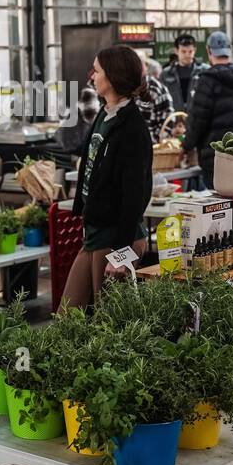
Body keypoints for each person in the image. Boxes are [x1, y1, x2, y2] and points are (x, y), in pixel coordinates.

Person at [64, 46, 153, 310]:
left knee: (108, 322)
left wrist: (121, 254)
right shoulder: (105, 114)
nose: (92, 76)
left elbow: (135, 195)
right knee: (68, 317)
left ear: (112, 77)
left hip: (116, 237)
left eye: (97, 70)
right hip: (95, 232)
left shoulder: (133, 129)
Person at [182, 31, 233, 189]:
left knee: (219, 209)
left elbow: (197, 121)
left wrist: (186, 146)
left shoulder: (207, 81)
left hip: (217, 158)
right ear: (230, 49)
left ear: (209, 51)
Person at [162, 32, 205, 111]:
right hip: (175, 117)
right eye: (183, 51)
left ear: (195, 50)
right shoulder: (166, 74)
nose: (187, 55)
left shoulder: (204, 72)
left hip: (198, 117)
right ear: (176, 51)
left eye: (190, 51)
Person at [136, 57, 174, 138]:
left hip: (152, 147)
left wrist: (155, 140)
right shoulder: (122, 88)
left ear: (145, 67)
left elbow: (168, 119)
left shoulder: (156, 89)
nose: (135, 67)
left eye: (139, 63)